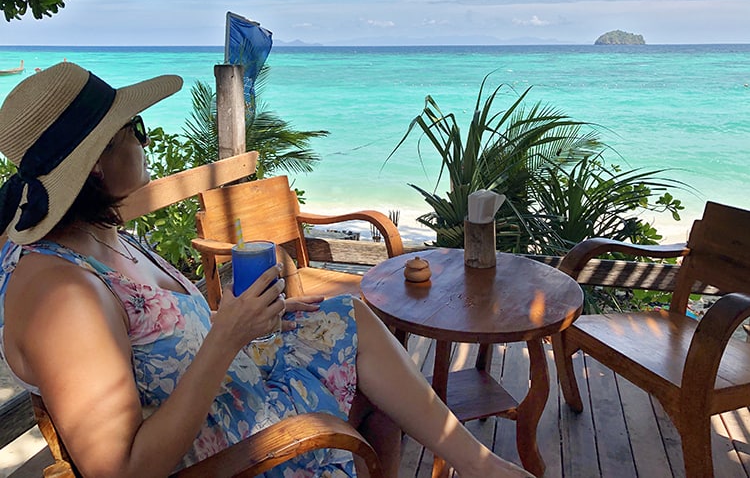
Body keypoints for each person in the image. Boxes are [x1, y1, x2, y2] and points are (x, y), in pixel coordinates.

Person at [0, 62, 532, 477]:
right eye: (134, 129)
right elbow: (119, 469)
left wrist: (243, 318)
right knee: (370, 396)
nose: (144, 141)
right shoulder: (60, 294)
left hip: (229, 389)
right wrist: (226, 338)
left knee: (349, 318)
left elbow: (149, 337)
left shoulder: (101, 236)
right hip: (220, 454)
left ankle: (482, 465)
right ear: (96, 161)